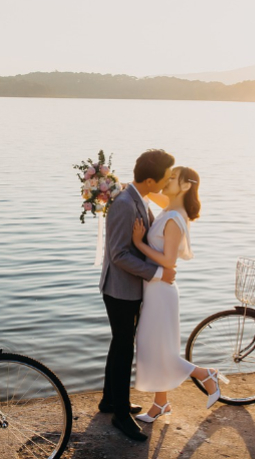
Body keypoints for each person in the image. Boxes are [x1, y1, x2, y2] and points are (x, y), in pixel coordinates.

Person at [131, 166, 228, 423]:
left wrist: (140, 243)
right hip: (155, 289)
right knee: (154, 346)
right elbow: (153, 194)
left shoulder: (174, 218)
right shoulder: (171, 208)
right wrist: (123, 185)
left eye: (173, 178)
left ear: (186, 186)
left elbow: (169, 262)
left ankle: (205, 374)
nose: (167, 180)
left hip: (161, 291)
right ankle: (160, 404)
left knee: (159, 349)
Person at [98, 149, 177, 442]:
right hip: (120, 289)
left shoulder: (138, 197)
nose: (168, 180)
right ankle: (120, 414)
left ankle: (109, 400)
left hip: (130, 288)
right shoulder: (124, 204)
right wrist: (156, 273)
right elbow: (118, 254)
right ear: (149, 178)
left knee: (120, 344)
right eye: (167, 175)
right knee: (124, 348)